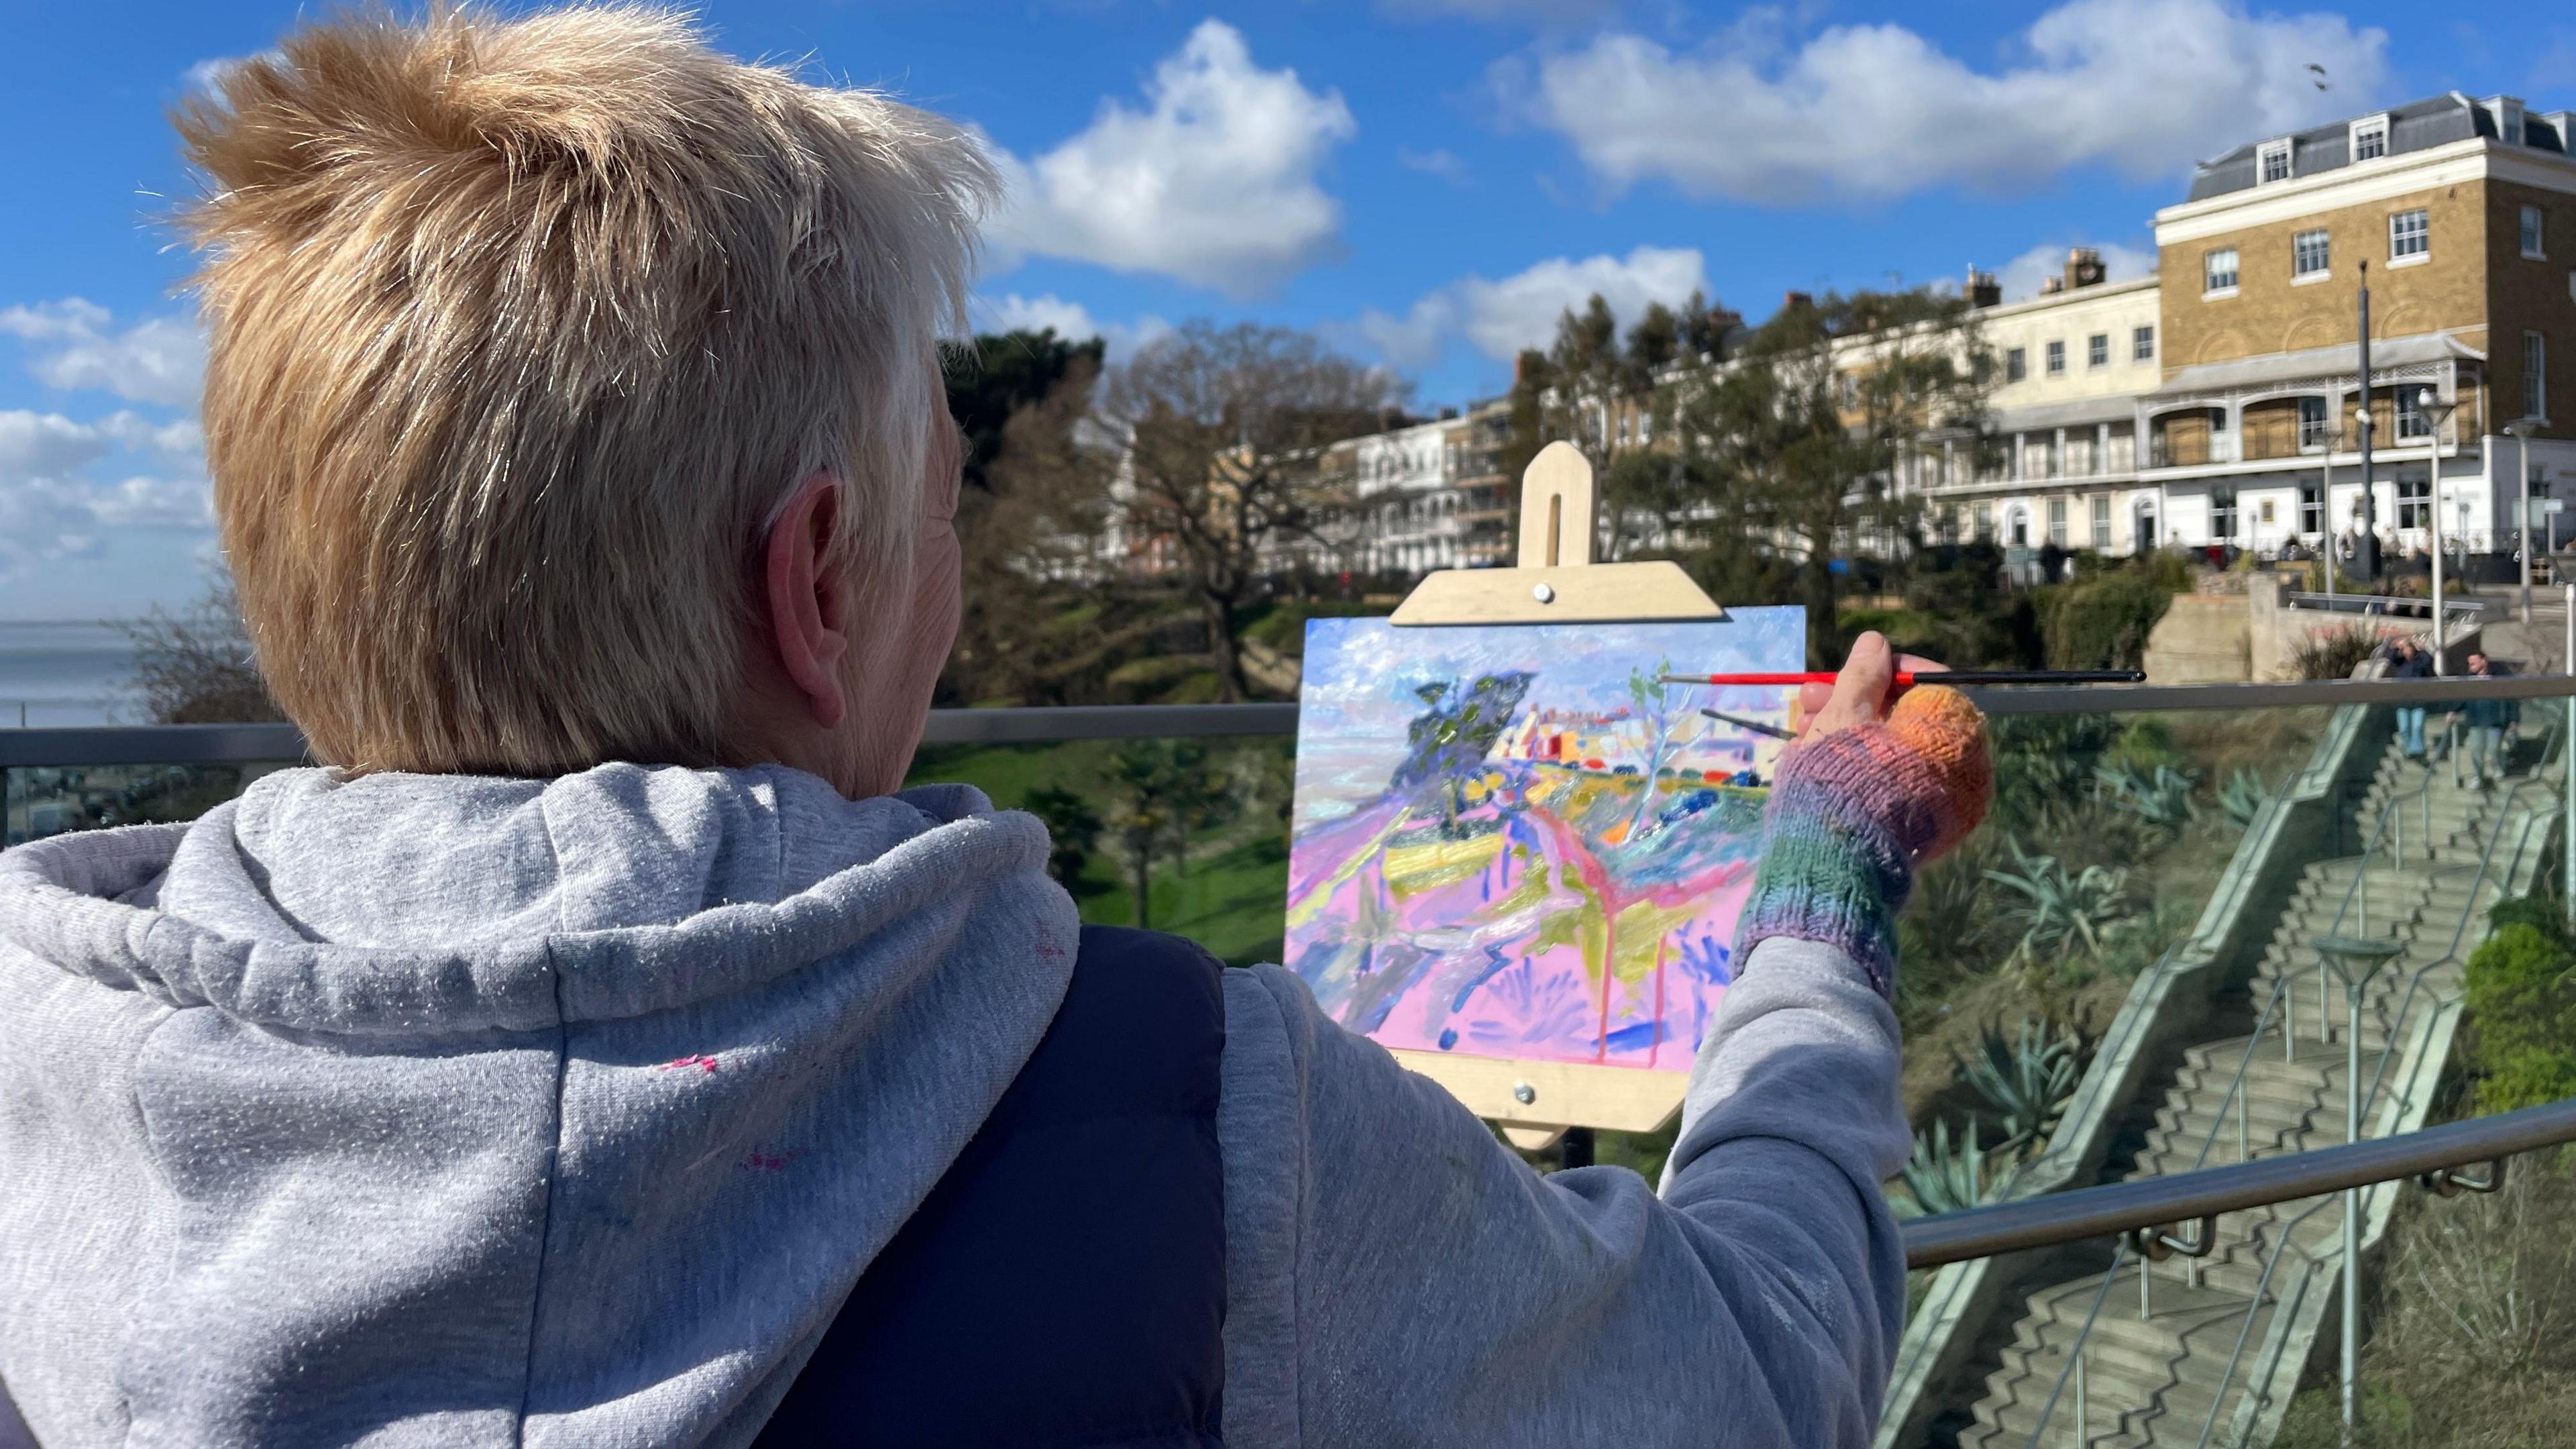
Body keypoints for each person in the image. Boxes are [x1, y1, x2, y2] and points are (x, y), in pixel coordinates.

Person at [0, 11, 1990, 1449]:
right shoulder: (1206, 1122)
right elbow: (1751, 1378)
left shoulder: (38, 1083)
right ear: (822, 581)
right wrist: (1818, 885)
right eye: (944, 510)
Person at [2457, 651, 2520, 788]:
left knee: (2493, 749)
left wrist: (2514, 720)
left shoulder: (2499, 679)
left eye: (2474, 661)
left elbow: (2511, 700)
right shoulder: (2468, 681)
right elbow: (2460, 699)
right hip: (2476, 722)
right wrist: (2452, 711)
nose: (2471, 664)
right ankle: (2477, 776)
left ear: (2483, 661)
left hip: (2495, 724)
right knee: (2477, 750)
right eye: (2469, 662)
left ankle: (2497, 766)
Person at [2385, 635, 2434, 757]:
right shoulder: (2401, 663)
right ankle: (2408, 749)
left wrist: (2421, 648)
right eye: (2404, 650)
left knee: (2417, 727)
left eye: (2409, 649)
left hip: (2418, 701)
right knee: (2404, 729)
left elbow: (2428, 660)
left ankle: (2417, 751)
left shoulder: (2420, 663)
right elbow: (2391, 657)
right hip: (2403, 702)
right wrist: (2398, 646)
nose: (2407, 652)